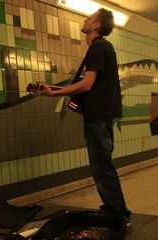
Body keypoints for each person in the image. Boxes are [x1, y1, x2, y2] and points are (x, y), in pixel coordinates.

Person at [38, 9, 131, 226]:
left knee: (102, 168)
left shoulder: (98, 47)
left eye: (89, 18)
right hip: (102, 116)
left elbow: (87, 84)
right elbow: (92, 85)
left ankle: (118, 214)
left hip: (97, 118)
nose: (85, 20)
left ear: (96, 26)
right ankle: (113, 209)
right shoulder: (102, 48)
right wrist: (53, 89)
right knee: (103, 166)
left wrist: (55, 93)